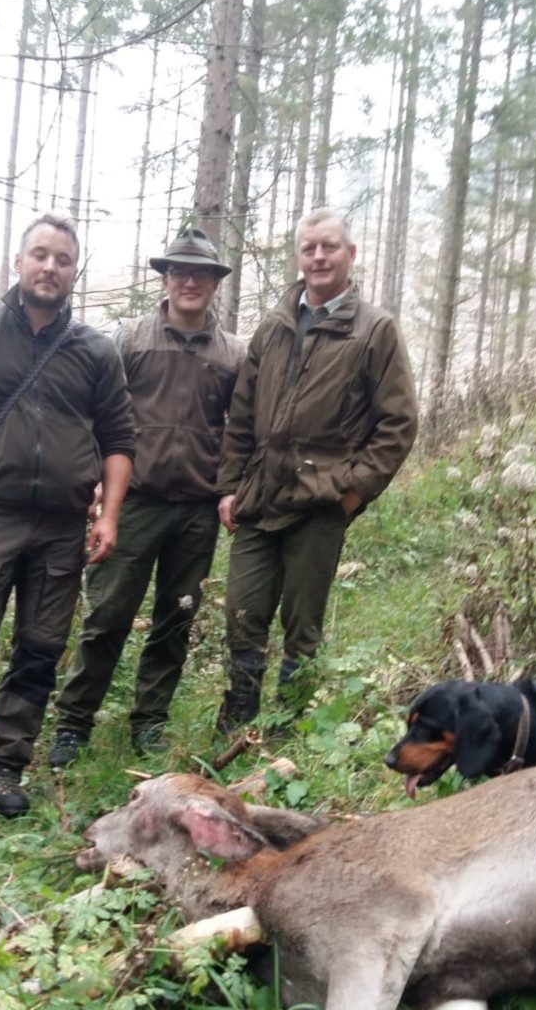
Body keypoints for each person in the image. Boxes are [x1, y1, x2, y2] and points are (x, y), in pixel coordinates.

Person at [0, 212, 136, 829]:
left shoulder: (95, 351)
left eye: (62, 259)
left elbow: (120, 439)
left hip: (62, 528)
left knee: (39, 652)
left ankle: (5, 770)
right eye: (40, 255)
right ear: (18, 262)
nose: (49, 267)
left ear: (74, 271)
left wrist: (109, 515)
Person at [215, 207, 418, 731]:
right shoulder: (275, 325)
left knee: (302, 625)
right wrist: (230, 487)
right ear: (299, 257)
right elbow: (242, 412)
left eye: (329, 247)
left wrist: (354, 490)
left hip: (321, 501)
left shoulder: (374, 330)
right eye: (310, 249)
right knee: (242, 611)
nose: (319, 257)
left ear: (350, 254)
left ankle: (289, 727)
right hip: (260, 498)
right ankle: (239, 719)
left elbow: (398, 424)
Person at [48, 227, 244, 764]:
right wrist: (93, 479)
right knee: (106, 617)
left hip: (197, 510)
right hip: (131, 503)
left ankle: (150, 722)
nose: (189, 282)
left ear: (214, 283)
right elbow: (95, 412)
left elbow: (241, 429)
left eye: (200, 274)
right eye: (179, 271)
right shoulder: (129, 339)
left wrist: (230, 488)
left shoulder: (233, 354)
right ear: (165, 278)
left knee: (176, 620)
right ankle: (73, 724)